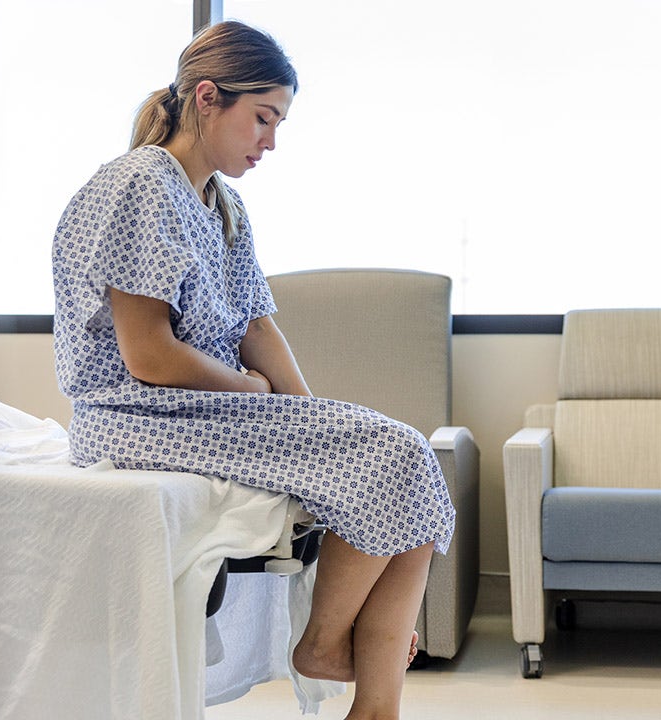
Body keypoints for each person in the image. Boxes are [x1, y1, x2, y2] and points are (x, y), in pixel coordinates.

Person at [50, 21, 455, 720]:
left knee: (410, 469)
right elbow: (147, 356)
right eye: (262, 118)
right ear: (208, 97)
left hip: (197, 410)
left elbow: (258, 327)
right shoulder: (139, 187)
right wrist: (250, 391)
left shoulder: (223, 204)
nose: (270, 140)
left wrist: (309, 419)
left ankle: (376, 708)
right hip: (134, 415)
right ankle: (324, 645)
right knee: (400, 452)